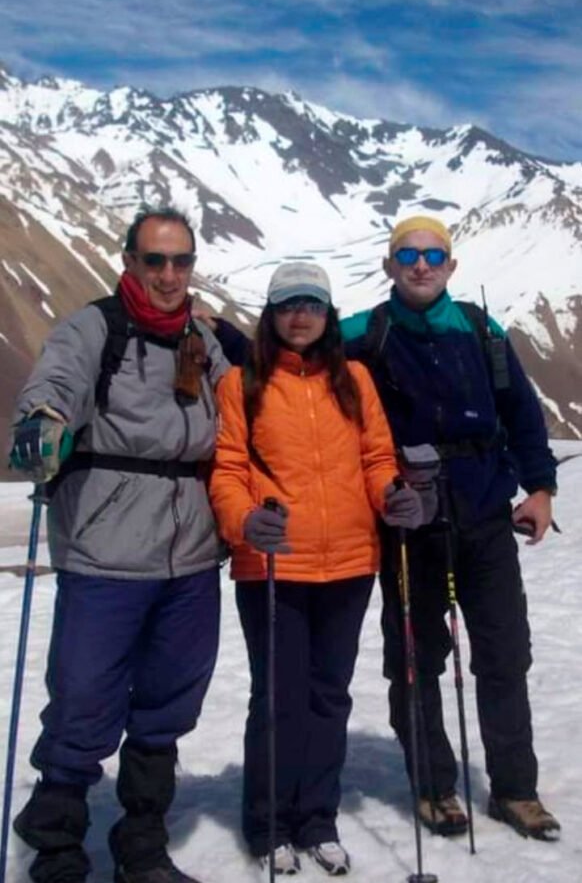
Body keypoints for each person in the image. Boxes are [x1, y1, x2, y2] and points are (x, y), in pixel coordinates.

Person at [9, 206, 229, 883]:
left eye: (181, 261)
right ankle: (57, 847)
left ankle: (141, 845)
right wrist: (42, 422)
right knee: (83, 695)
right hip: (106, 549)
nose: (168, 275)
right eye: (155, 260)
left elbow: (242, 409)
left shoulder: (203, 339)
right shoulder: (93, 329)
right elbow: (55, 385)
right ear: (129, 262)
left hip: (191, 552)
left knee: (169, 702)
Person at [342, 215, 561, 841]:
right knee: (416, 660)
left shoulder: (479, 329)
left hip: (487, 515)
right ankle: (434, 787)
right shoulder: (364, 334)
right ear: (389, 265)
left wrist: (539, 489)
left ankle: (516, 791)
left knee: (504, 654)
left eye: (432, 254)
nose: (420, 265)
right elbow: (288, 355)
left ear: (450, 265)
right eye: (407, 254)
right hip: (411, 524)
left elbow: (521, 410)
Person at [209, 261, 422, 877]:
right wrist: (245, 520)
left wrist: (392, 495)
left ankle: (317, 818)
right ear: (270, 315)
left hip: (350, 564)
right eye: (286, 304)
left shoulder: (353, 379)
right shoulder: (243, 382)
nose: (299, 315)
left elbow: (377, 457)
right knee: (278, 699)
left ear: (327, 314)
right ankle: (269, 824)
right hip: (273, 563)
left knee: (329, 697)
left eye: (311, 304)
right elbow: (225, 470)